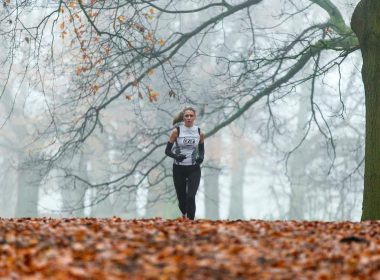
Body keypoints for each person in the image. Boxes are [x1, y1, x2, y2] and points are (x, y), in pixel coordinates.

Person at [165, 107, 204, 220]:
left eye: (191, 116)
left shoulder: (199, 132)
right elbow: (167, 151)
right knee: (182, 200)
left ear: (194, 117)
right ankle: (184, 211)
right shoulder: (176, 131)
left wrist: (201, 157)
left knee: (191, 197)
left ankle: (191, 222)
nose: (189, 118)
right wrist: (176, 156)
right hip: (179, 169)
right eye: (186, 116)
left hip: (194, 169)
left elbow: (201, 150)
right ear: (183, 117)